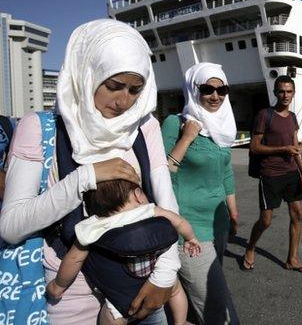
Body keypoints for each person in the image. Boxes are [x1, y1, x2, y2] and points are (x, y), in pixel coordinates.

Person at [0, 19, 181, 324]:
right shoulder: (41, 128)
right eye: (114, 86)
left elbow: (166, 203)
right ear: (87, 73)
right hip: (72, 291)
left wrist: (165, 274)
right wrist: (85, 178)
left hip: (143, 279)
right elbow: (11, 225)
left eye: (135, 90)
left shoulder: (144, 126)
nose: (124, 101)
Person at [46, 179, 201, 325]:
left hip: (121, 296)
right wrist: (190, 238)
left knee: (111, 317)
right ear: (138, 194)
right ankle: (180, 322)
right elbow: (179, 221)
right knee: (175, 288)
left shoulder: (93, 226)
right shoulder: (149, 210)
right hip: (153, 278)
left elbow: (73, 260)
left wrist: (58, 285)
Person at [161, 62, 240, 324]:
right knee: (220, 312)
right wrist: (186, 139)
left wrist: (233, 211)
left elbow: (226, 173)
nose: (215, 96)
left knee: (200, 307)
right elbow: (160, 174)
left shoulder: (223, 127)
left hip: (218, 225)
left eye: (222, 90)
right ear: (194, 89)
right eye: (207, 89)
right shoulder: (176, 124)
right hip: (190, 230)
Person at [243, 75, 302, 274]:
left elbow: (295, 146)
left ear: (293, 93)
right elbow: (255, 147)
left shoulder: (292, 118)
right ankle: (250, 247)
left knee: (298, 214)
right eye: (281, 91)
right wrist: (282, 149)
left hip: (291, 173)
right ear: (275, 93)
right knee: (265, 220)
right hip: (270, 174)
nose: (285, 95)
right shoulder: (265, 115)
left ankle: (292, 259)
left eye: (289, 91)